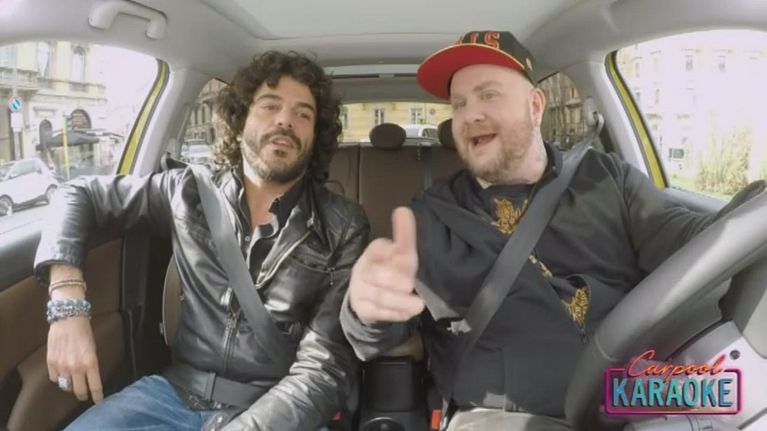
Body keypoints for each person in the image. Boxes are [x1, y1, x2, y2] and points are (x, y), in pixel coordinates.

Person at [340, 31, 764, 429]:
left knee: (742, 397)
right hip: (502, 415)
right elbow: (382, 338)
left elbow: (695, 244)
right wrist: (364, 309)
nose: (470, 115)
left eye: (488, 95)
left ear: (536, 106)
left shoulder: (608, 178)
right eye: (459, 104)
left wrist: (756, 205)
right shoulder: (429, 217)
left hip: (633, 394)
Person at [35, 50, 369, 430]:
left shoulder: (343, 225)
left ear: (314, 136)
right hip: (172, 395)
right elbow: (78, 194)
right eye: (269, 105)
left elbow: (324, 367)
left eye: (303, 114)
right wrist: (67, 301)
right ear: (239, 121)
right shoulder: (187, 191)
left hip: (281, 407)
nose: (285, 120)